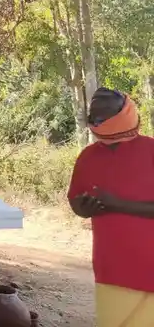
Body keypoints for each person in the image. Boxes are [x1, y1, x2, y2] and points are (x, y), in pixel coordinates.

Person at [67, 88, 154, 326]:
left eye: (104, 114)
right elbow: (75, 201)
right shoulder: (87, 157)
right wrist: (84, 209)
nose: (96, 120)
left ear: (123, 113)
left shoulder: (151, 150)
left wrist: (118, 204)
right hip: (111, 267)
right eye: (93, 115)